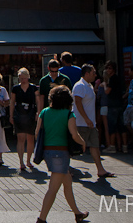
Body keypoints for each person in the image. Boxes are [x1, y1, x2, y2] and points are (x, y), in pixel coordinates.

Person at [36, 85, 89, 223]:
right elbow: (74, 134)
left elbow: (37, 133)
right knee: (53, 189)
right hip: (61, 153)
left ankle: (77, 213)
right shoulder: (68, 114)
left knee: (67, 183)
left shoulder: (44, 112)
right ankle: (41, 219)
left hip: (47, 152)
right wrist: (83, 143)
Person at [72, 64, 114, 178]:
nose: (95, 75)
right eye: (93, 73)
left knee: (95, 146)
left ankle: (100, 170)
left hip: (90, 123)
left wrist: (91, 120)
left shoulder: (89, 86)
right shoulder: (80, 86)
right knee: (76, 147)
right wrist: (86, 118)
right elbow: (78, 103)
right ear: (87, 74)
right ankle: (65, 168)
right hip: (81, 123)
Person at [10, 67, 39, 171]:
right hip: (19, 114)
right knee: (20, 138)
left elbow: (38, 101)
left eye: (25, 78)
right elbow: (12, 102)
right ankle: (21, 162)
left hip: (30, 113)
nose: (23, 80)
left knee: (30, 138)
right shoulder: (15, 88)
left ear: (28, 77)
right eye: (21, 78)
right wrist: (11, 115)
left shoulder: (33, 88)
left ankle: (28, 160)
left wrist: (38, 113)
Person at [103, 61, 124, 153]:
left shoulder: (112, 79)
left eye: (110, 68)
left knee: (112, 126)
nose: (108, 70)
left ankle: (112, 146)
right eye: (107, 68)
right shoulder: (118, 79)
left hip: (113, 105)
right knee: (120, 126)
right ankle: (123, 146)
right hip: (119, 104)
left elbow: (107, 91)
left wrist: (104, 85)